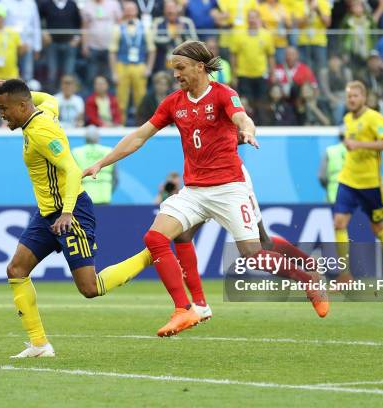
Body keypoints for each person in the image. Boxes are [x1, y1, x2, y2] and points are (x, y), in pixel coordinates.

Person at [83, 40, 328, 337]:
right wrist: (102, 163)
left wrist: (247, 131)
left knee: (255, 252)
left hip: (229, 187)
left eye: (180, 68)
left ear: (200, 67)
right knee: (156, 237)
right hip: (195, 189)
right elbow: (139, 136)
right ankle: (189, 307)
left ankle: (306, 278)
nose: (176, 75)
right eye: (174, 69)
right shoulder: (174, 102)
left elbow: (241, 117)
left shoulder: (224, 94)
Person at [0, 78, 151, 357]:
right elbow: (48, 98)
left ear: (23, 106)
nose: (1, 114)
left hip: (70, 212)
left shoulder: (42, 132)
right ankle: (40, 345)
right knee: (16, 270)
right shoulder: (44, 111)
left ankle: (151, 255)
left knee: (90, 288)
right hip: (47, 214)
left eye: (5, 108)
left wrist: (66, 212)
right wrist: (17, 87)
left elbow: (73, 171)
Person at [333, 80, 383, 284]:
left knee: (378, 228)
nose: (351, 100)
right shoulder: (346, 119)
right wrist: (349, 144)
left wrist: (358, 144)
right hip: (347, 181)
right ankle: (344, 275)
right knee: (339, 223)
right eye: (348, 97)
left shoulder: (375, 118)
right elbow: (350, 142)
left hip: (372, 185)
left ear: (364, 97)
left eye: (355, 96)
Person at [109, 1, 156, 124]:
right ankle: (121, 124)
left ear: (136, 11)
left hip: (139, 65)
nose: (130, 12)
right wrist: (114, 72)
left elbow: (152, 49)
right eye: (127, 10)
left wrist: (149, 68)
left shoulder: (145, 28)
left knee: (140, 97)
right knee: (121, 97)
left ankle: (141, 125)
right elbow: (112, 51)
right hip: (122, 65)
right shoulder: (117, 28)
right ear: (124, 11)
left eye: (132, 10)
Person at [72, 126, 118, 205]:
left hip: (84, 199)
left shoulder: (76, 153)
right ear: (98, 138)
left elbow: (72, 178)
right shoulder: (109, 152)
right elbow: (115, 179)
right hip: (104, 197)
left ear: (85, 138)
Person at [318, 128, 346, 203]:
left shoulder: (330, 151)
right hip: (352, 194)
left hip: (332, 194)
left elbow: (321, 176)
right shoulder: (356, 151)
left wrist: (328, 185)